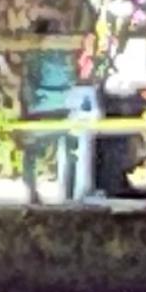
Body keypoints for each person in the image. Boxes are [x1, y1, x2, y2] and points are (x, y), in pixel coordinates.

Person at [20, 18, 96, 205]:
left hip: (47, 106)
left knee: (36, 151)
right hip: (55, 105)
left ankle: (39, 192)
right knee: (67, 149)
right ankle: (66, 194)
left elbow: (28, 83)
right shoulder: (56, 54)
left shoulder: (38, 55)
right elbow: (71, 77)